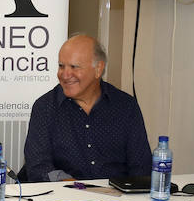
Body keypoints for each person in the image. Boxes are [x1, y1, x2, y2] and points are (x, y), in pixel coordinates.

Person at [24, 34, 151, 181]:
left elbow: (141, 167)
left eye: (74, 67)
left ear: (98, 69)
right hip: (63, 198)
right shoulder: (45, 107)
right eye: (61, 66)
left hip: (118, 200)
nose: (65, 74)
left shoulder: (126, 106)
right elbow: (38, 167)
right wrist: (75, 187)